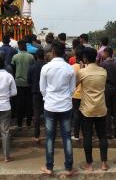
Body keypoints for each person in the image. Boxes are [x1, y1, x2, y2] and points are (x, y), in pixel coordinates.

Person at [39, 40, 76, 176]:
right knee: (66, 136)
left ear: (53, 52)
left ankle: (49, 166)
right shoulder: (69, 68)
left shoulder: (46, 68)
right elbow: (72, 89)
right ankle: (68, 167)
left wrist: (48, 98)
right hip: (65, 105)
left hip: (50, 105)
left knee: (50, 137)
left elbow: (42, 89)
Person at [77, 47, 109, 171]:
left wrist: (81, 69)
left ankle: (89, 164)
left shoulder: (82, 72)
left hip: (87, 109)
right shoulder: (103, 71)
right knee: (102, 136)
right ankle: (104, 163)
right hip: (101, 107)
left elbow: (74, 85)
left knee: (87, 136)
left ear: (85, 58)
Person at [11, 40, 35, 128]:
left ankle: (19, 123)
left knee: (19, 103)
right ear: (25, 46)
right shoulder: (31, 57)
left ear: (19, 46)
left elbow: (13, 68)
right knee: (29, 102)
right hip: (28, 83)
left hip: (18, 82)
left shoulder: (15, 57)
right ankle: (28, 122)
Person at [100, 47, 116, 139]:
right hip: (114, 88)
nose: (102, 55)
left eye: (103, 53)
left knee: (107, 110)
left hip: (106, 88)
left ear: (107, 53)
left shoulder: (102, 64)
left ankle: (108, 132)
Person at [27, 49, 46, 142]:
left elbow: (29, 81)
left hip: (35, 91)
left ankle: (36, 135)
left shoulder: (32, 67)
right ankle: (48, 133)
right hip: (46, 92)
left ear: (36, 56)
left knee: (37, 113)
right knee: (47, 112)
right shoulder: (47, 66)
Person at [71, 46, 84, 141]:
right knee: (85, 115)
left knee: (76, 114)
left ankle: (76, 135)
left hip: (75, 94)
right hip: (86, 95)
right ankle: (86, 134)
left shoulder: (72, 67)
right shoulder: (87, 67)